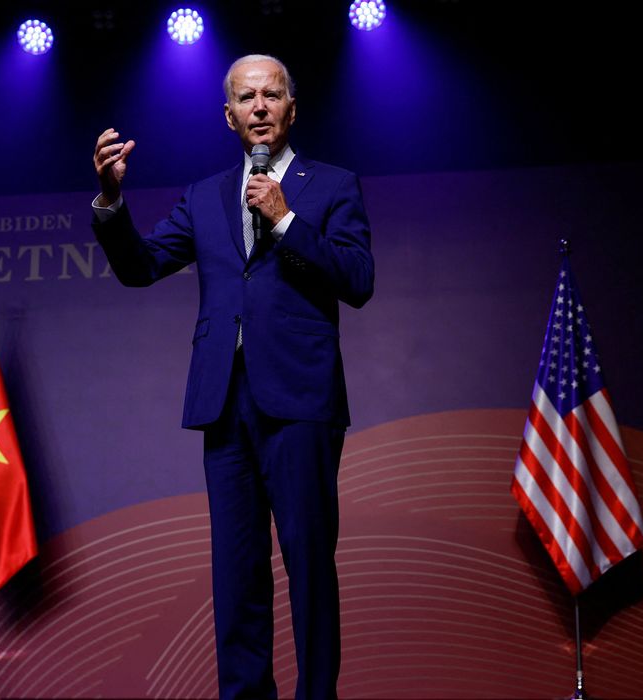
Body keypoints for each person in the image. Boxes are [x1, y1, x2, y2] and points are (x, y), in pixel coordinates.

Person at [91, 54, 373, 700]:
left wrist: (285, 220)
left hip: (301, 400)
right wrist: (110, 200)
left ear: (290, 109)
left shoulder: (330, 185)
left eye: (272, 95)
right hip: (224, 401)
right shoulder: (204, 195)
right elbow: (140, 268)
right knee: (237, 571)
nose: (259, 107)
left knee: (307, 562)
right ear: (228, 116)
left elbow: (358, 281)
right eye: (245, 98)